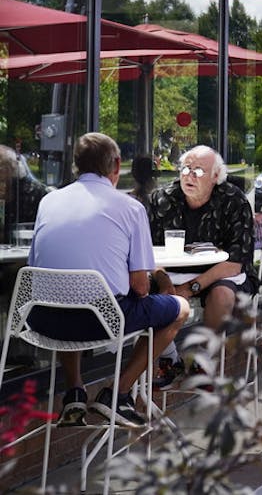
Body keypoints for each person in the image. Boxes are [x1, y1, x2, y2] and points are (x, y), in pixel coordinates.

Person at [27, 132, 190, 428]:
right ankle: (118, 393)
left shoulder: (48, 202)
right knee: (180, 309)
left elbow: (36, 268)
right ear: (116, 165)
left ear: (76, 165)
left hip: (42, 320)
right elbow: (140, 287)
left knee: (70, 293)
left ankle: (75, 391)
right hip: (101, 322)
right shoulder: (130, 208)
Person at [148, 145, 257, 385]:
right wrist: (164, 280)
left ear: (215, 177)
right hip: (172, 272)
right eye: (185, 168)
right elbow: (147, 253)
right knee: (147, 292)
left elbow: (236, 262)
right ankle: (170, 359)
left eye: (198, 171)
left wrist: (190, 288)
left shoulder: (233, 200)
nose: (188, 175)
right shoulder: (162, 199)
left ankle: (203, 361)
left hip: (222, 273)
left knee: (221, 294)